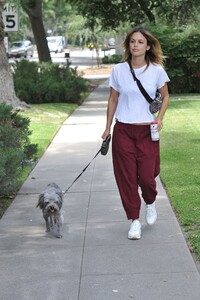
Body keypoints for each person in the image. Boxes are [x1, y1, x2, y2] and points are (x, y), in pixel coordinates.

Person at [102, 27, 170, 240]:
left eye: (140, 42)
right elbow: (113, 99)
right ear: (128, 45)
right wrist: (107, 127)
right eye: (132, 41)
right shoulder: (119, 70)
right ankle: (134, 221)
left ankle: (150, 201)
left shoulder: (157, 70)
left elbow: (165, 96)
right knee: (127, 178)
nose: (135, 45)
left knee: (147, 178)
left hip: (147, 131)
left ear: (148, 46)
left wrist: (160, 118)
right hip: (123, 130)